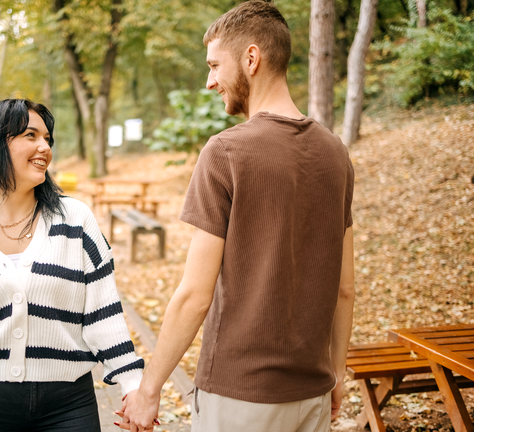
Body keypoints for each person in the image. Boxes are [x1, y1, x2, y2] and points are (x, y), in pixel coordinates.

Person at [120, 1, 355, 431]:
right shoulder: (336, 154)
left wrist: (149, 390)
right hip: (314, 395)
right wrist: (336, 374)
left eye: (214, 65)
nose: (209, 81)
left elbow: (195, 295)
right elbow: (344, 290)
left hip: (238, 398)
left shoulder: (225, 152)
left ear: (251, 58)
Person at [0, 99, 145, 432]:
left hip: (69, 406)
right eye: (30, 135)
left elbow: (103, 314)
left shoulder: (76, 220)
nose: (45, 147)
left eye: (48, 138)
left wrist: (133, 385)